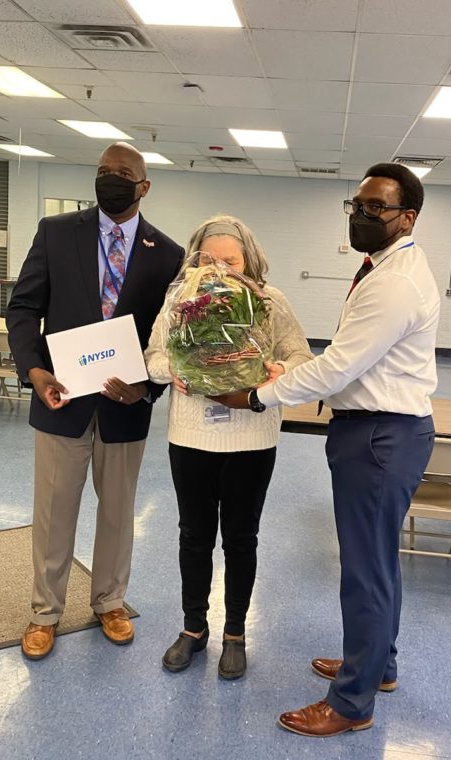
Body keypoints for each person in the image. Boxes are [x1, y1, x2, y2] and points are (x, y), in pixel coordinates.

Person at [213, 164, 440, 735]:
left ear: (406, 218)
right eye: (355, 206)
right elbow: (347, 360)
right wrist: (292, 372)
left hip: (379, 437)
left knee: (365, 570)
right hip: (382, 429)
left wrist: (260, 395)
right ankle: (376, 663)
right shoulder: (386, 267)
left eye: (375, 209)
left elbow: (341, 365)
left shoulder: (393, 282)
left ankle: (351, 702)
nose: (361, 217)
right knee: (379, 561)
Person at [6, 142, 184, 660]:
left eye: (122, 173)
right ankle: (44, 613)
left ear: (143, 186)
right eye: (103, 171)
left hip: (125, 408)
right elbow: (23, 308)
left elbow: (171, 341)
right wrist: (34, 370)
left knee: (118, 513)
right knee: (54, 514)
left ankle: (109, 600)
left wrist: (148, 388)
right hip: (61, 400)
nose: (110, 179)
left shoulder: (168, 254)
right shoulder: (56, 233)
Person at [144, 216, 312, 680]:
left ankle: (234, 633)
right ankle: (194, 628)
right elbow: (154, 354)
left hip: (251, 438)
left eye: (230, 260)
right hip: (191, 436)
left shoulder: (268, 301)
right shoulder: (181, 299)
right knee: (193, 536)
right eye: (209, 259)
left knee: (241, 538)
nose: (220, 268)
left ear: (249, 260)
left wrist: (279, 369)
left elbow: (301, 357)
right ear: (194, 260)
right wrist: (170, 370)